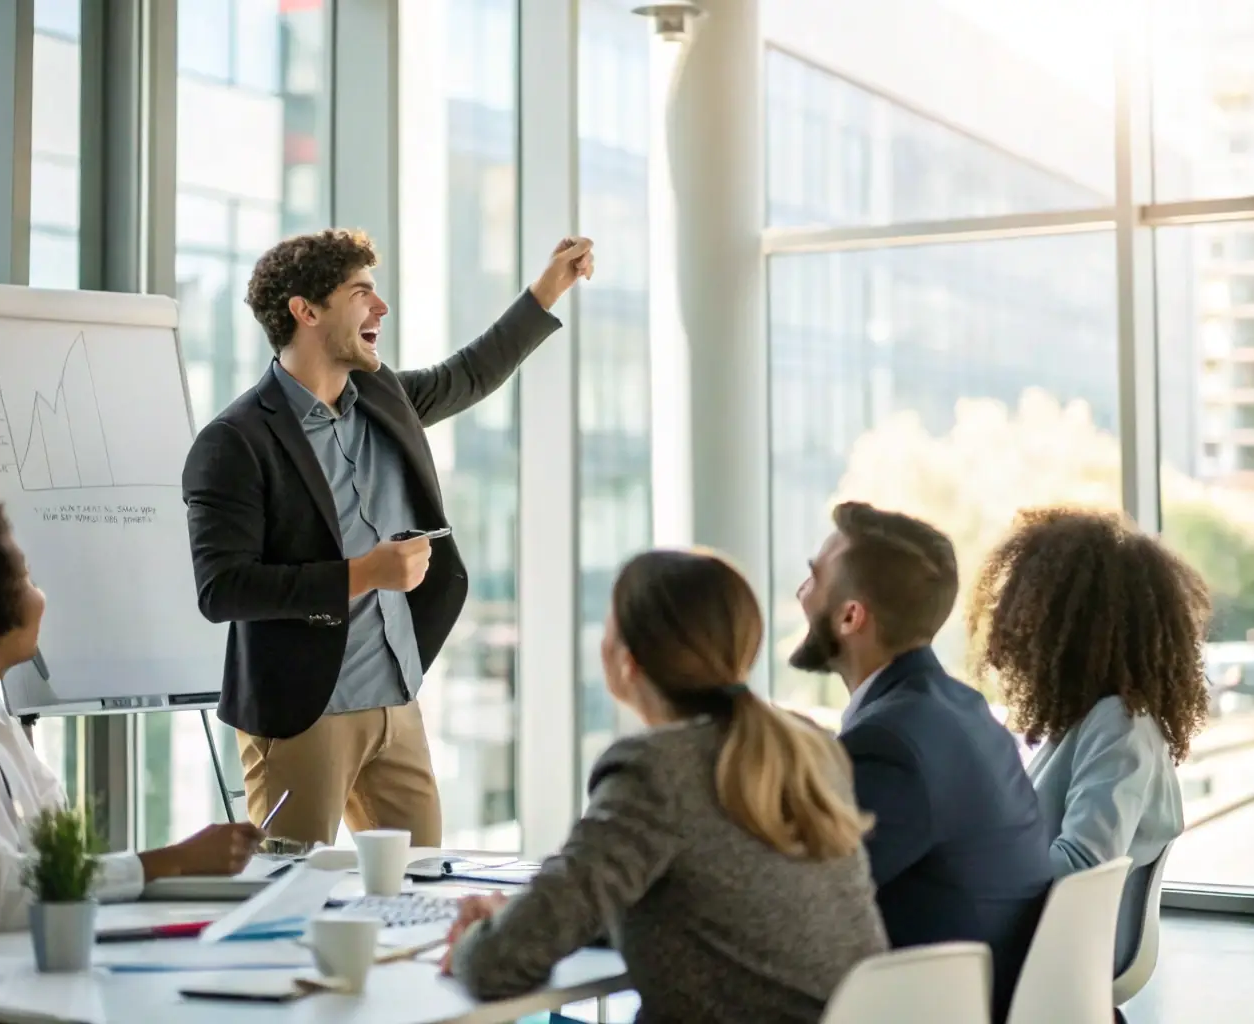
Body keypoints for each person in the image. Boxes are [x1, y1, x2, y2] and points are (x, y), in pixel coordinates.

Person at [182, 228, 593, 848]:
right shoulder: (235, 441)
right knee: (290, 897)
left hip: (396, 703)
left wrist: (548, 288)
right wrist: (363, 575)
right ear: (307, 310)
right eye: (362, 293)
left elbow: (470, 373)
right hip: (302, 716)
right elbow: (222, 589)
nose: (381, 307)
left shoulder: (383, 394)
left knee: (422, 885)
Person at [443, 549, 888, 1024]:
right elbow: (716, 911)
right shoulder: (810, 747)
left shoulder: (653, 771)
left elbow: (497, 966)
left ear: (626, 661)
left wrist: (484, 937)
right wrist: (523, 921)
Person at [0, 489, 263, 945]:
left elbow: (61, 865)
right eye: (26, 578)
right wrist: (169, 862)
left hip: (11, 975)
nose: (41, 596)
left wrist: (175, 870)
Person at [790, 501, 1053, 1021]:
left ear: (850, 616)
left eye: (813, 577)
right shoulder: (961, 709)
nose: (801, 594)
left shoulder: (890, 744)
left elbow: (803, 902)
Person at [968, 507, 1210, 974]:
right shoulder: (1088, 720)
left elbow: (1082, 868)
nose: (1015, 630)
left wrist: (982, 850)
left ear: (1069, 627)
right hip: (1049, 937)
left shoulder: (1120, 724)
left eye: (1029, 613)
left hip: (1065, 951)